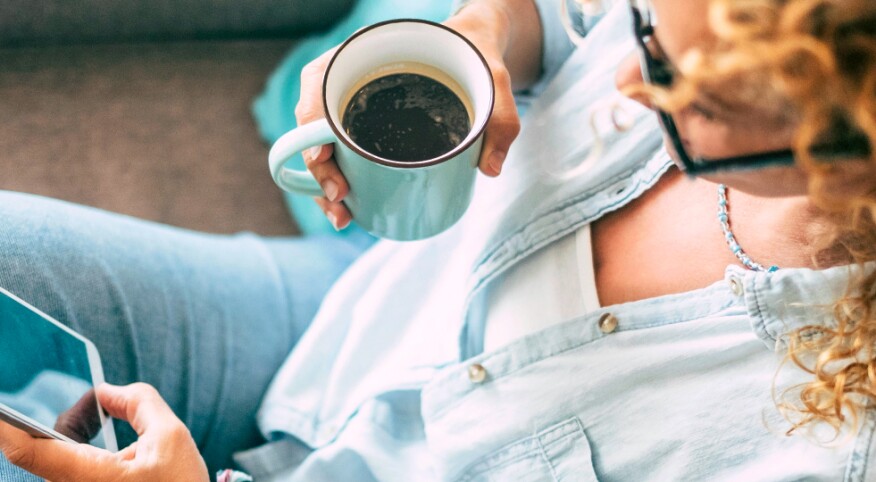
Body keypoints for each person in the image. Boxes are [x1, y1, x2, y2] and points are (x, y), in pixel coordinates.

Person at [1, 0, 875, 480]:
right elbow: (569, 21)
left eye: (698, 102)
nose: (621, 79)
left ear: (844, 151)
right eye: (645, 28)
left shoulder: (830, 445)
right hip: (338, 327)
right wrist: (485, 34)